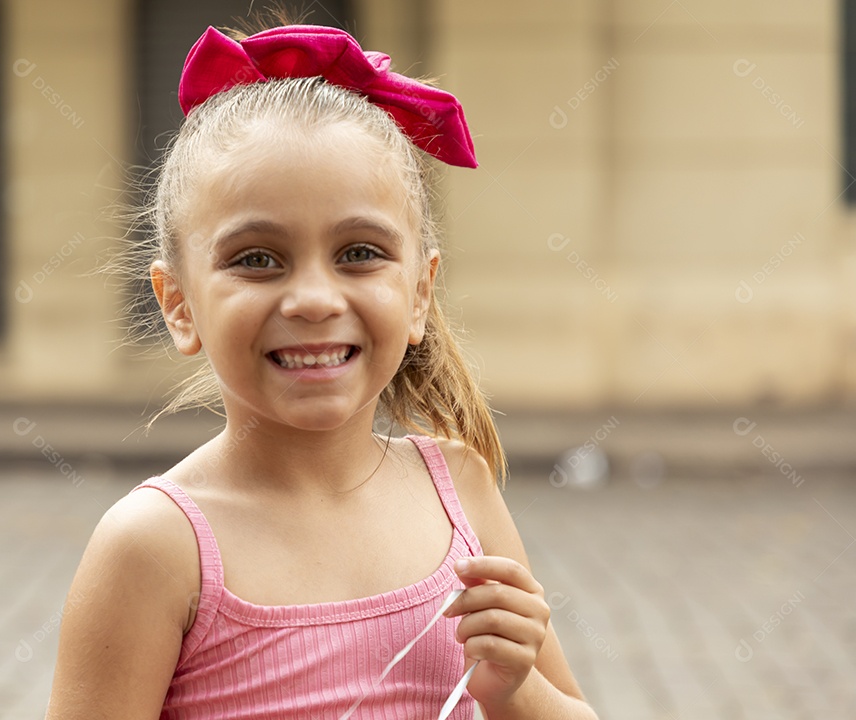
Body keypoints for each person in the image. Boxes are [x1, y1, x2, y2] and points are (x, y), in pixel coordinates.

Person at [47, 22, 598, 720]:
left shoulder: (459, 489)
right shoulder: (156, 548)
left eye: (360, 252)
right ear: (179, 305)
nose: (312, 299)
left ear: (420, 292)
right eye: (256, 259)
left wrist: (515, 689)